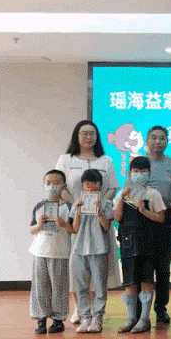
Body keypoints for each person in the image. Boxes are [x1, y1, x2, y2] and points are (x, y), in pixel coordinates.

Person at [55, 120, 120, 325]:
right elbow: (60, 186)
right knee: (77, 266)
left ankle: (95, 311)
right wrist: (77, 205)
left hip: (99, 218)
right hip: (76, 217)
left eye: (92, 133)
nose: (88, 137)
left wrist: (101, 203)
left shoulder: (106, 160)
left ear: (97, 137)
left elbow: (112, 187)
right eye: (84, 133)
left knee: (98, 268)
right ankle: (79, 309)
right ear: (77, 136)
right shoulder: (66, 159)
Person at [114, 156, 166, 334]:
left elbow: (161, 217)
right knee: (129, 282)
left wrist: (143, 210)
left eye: (143, 171)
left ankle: (144, 318)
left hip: (147, 243)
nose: (139, 174)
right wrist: (122, 197)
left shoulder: (152, 194)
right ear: (130, 173)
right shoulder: (123, 193)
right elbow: (117, 217)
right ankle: (131, 318)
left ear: (149, 173)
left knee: (146, 281)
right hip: (127, 243)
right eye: (136, 171)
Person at [142, 125, 171, 324]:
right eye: (154, 137)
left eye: (162, 138)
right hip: (143, 220)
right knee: (144, 265)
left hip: (166, 220)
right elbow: (129, 190)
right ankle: (141, 310)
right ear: (147, 141)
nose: (158, 141)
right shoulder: (139, 163)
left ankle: (161, 308)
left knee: (163, 267)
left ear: (167, 141)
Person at [29, 169, 74, 334]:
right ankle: (40, 320)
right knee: (40, 287)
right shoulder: (39, 206)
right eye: (48, 183)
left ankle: (58, 320)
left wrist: (64, 225)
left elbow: (73, 229)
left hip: (60, 252)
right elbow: (31, 230)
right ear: (43, 185)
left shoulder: (69, 207)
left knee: (59, 288)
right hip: (40, 252)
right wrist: (39, 225)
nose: (52, 186)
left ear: (64, 186)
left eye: (56, 183)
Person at [70, 169, 114, 333]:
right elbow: (74, 229)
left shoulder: (106, 203)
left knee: (100, 286)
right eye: (87, 184)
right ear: (82, 185)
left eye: (94, 183)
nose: (90, 187)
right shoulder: (77, 203)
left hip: (99, 249)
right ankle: (85, 318)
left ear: (100, 186)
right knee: (81, 287)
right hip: (79, 249)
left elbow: (106, 226)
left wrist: (99, 211)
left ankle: (97, 318)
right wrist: (77, 211)